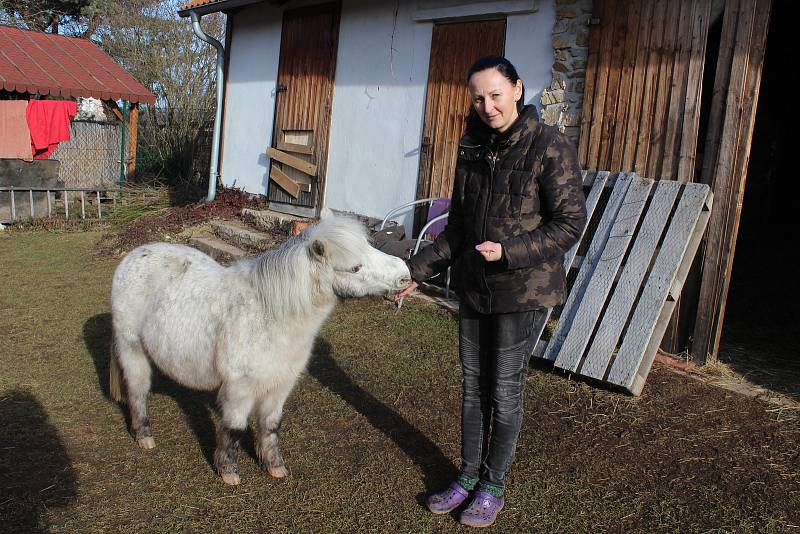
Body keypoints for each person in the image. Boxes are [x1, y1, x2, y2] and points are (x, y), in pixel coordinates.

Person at [395, 55, 587, 528]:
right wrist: (414, 269)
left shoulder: (549, 145)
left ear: (518, 90)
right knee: (472, 390)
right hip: (475, 287)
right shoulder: (473, 145)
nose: (487, 106)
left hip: (523, 290)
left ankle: (492, 485)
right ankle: (467, 476)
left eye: (496, 94)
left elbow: (570, 223)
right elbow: (459, 226)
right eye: (478, 97)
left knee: (504, 389)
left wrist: (509, 251)